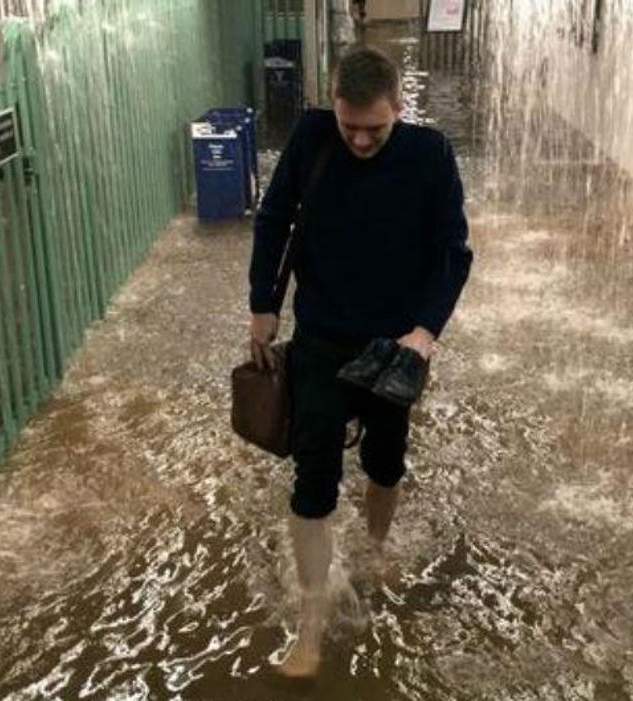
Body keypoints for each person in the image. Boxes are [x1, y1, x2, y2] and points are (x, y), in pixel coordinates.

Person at [247, 45, 472, 678]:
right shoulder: (313, 137)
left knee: (384, 459)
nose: (361, 140)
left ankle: (374, 550)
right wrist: (263, 303)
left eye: (375, 127)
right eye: (350, 125)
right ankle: (311, 623)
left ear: (400, 106)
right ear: (335, 105)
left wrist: (425, 332)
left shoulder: (430, 156)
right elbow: (273, 219)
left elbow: (453, 253)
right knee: (312, 475)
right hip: (322, 335)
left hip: (394, 345)